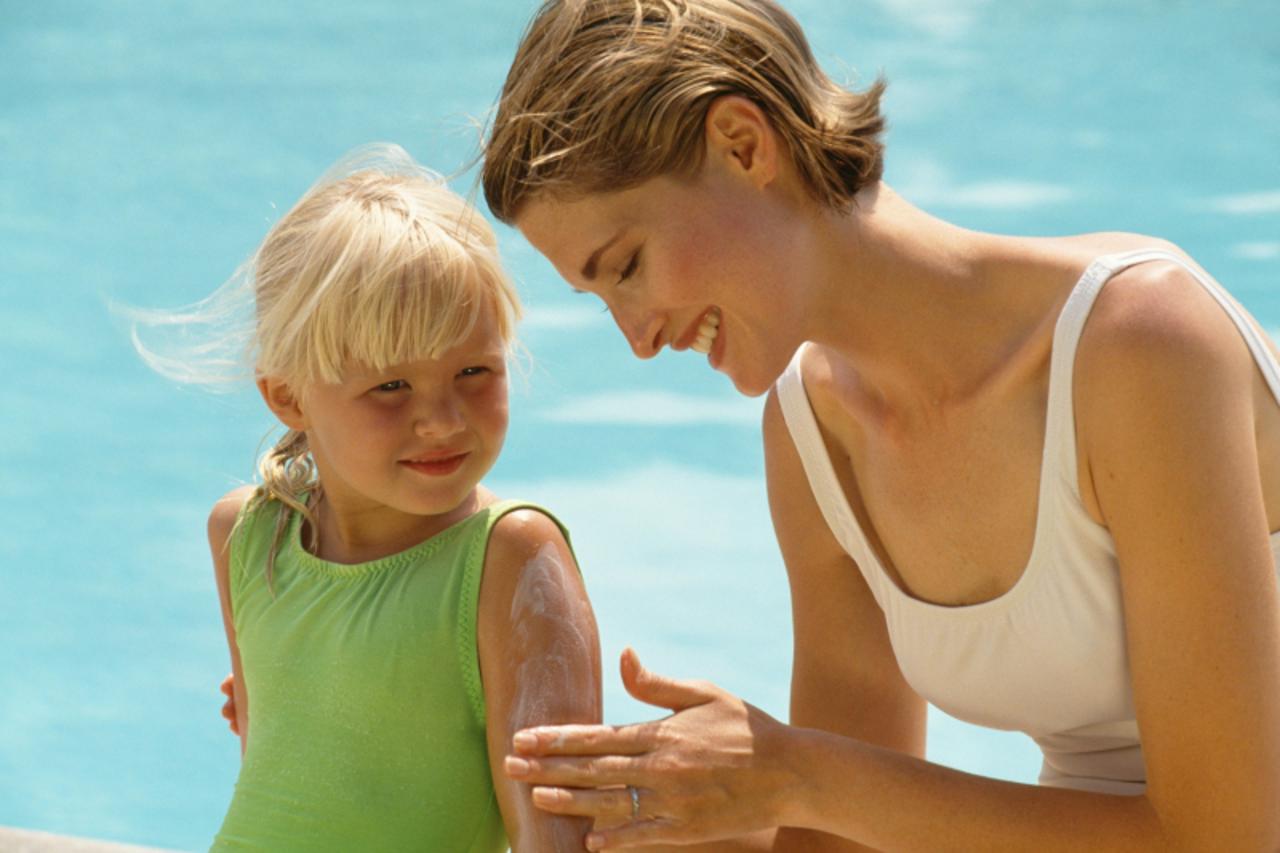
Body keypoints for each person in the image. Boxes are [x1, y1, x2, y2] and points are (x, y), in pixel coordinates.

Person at [478, 1, 1280, 850]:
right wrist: (701, 805)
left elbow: (1229, 836)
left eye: (628, 266)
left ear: (743, 145)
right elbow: (842, 835)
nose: (638, 339)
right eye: (600, 299)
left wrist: (792, 774)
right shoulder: (815, 436)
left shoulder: (1139, 345)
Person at [136, 144, 602, 852]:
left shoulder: (510, 557)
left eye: (474, 369)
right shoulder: (247, 535)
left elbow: (561, 840)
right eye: (391, 386)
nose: (444, 419)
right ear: (288, 395)